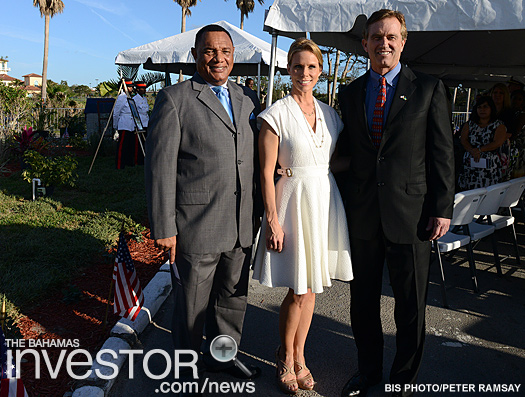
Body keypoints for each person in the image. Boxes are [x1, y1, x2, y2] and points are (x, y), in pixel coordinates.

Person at [338, 9, 455, 397]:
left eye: (391, 37)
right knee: (363, 305)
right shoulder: (351, 93)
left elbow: (442, 152)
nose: (383, 44)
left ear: (403, 42)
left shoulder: (427, 88)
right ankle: (368, 372)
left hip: (413, 216)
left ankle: (403, 380)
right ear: (365, 44)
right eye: (376, 37)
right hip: (364, 218)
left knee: (410, 307)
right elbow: (347, 155)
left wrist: (443, 207)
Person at [145, 24, 262, 392]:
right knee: (192, 305)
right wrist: (164, 225)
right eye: (210, 51)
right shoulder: (175, 98)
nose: (219, 58)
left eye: (225, 51)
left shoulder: (248, 99)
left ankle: (222, 357)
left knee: (231, 303)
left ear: (234, 55)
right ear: (196, 55)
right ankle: (185, 367)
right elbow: (160, 167)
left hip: (242, 223)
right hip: (196, 223)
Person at [252, 38, 353, 394]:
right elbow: (265, 172)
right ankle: (285, 356)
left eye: (311, 67)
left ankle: (300, 356)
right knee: (298, 289)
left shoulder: (330, 114)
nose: (304, 73)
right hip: (292, 203)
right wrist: (273, 219)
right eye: (297, 66)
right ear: (288, 69)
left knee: (312, 291)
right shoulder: (275, 113)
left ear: (320, 71)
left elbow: (330, 160)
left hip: (324, 202)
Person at [113, 78, 138, 169]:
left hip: (131, 125)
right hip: (124, 124)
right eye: (130, 87)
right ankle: (120, 165)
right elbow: (116, 113)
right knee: (122, 147)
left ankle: (129, 163)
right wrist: (115, 126)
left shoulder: (130, 97)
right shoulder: (121, 97)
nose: (132, 89)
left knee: (129, 145)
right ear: (125, 87)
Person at [132, 81, 149, 165]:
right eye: (142, 89)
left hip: (146, 122)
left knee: (145, 141)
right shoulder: (135, 99)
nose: (144, 90)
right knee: (138, 143)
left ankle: (144, 158)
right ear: (138, 89)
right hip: (139, 122)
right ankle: (138, 160)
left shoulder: (144, 98)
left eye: (145, 88)